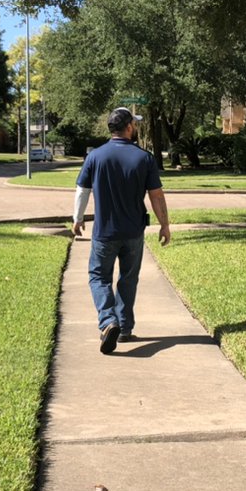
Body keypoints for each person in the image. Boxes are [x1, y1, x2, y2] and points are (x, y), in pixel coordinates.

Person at [72, 107, 171, 354]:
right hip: (133, 231)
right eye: (134, 124)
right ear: (128, 127)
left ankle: (108, 322)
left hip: (104, 232)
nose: (135, 127)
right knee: (128, 278)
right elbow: (156, 196)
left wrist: (77, 218)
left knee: (99, 277)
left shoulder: (95, 156)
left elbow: (82, 190)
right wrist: (164, 224)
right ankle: (123, 327)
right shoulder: (144, 158)